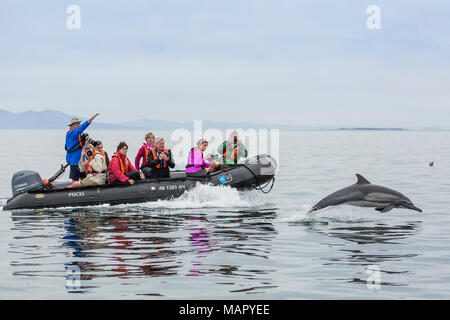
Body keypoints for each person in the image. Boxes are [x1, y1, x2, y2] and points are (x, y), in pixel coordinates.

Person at [65, 113, 100, 184]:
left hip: (81, 160)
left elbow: (82, 147)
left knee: (83, 178)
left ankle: (83, 191)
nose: (79, 125)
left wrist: (87, 145)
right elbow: (81, 128)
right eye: (77, 124)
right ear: (72, 125)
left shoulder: (77, 134)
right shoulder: (71, 133)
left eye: (79, 123)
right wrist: (90, 120)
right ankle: (74, 192)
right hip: (74, 161)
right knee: (75, 179)